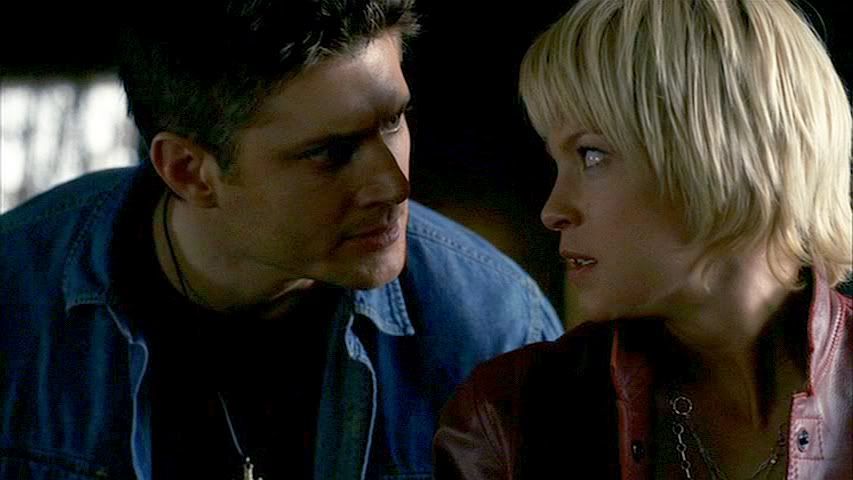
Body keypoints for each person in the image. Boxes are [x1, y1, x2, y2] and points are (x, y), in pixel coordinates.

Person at [0, 1, 563, 478]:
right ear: (190, 172)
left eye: (394, 120)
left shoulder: (496, 328)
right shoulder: (14, 300)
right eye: (330, 152)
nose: (394, 185)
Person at [433, 0, 852, 478]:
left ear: (722, 154)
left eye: (591, 155)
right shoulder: (505, 420)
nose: (553, 211)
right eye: (558, 161)